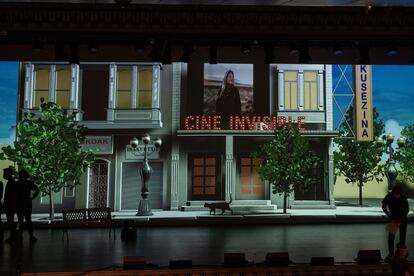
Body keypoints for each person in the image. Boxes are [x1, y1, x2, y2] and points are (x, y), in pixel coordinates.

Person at [382, 186, 409, 262]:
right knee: (391, 237)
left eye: (398, 193)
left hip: (402, 219)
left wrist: (401, 218)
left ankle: (401, 254)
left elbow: (407, 210)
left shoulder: (403, 198)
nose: (397, 194)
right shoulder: (389, 196)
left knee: (402, 236)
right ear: (393, 192)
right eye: (396, 193)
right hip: (393, 219)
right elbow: (383, 206)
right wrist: (389, 215)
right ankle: (391, 254)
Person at [16, 169, 40, 242]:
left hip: (20, 203)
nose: (20, 176)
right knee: (28, 220)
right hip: (26, 203)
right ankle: (30, 236)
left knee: (21, 220)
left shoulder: (18, 183)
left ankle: (20, 235)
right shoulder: (29, 183)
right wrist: (32, 198)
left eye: (20, 174)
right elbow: (37, 190)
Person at [3, 167, 17, 243]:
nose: (3, 175)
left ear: (8, 174)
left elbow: (14, 195)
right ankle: (13, 236)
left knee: (10, 221)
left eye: (4, 174)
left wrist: (12, 206)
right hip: (9, 205)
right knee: (10, 221)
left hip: (10, 206)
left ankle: (13, 237)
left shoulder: (11, 183)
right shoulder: (10, 182)